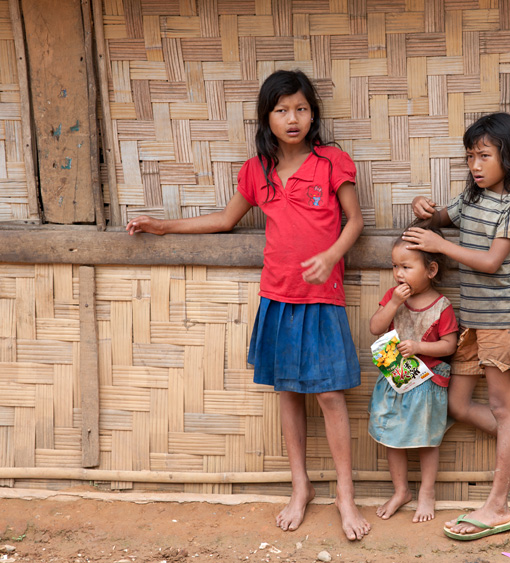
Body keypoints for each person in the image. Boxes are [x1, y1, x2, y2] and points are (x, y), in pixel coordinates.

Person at [126, 70, 370, 541]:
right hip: (277, 296)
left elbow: (354, 221)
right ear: (267, 118)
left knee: (330, 395)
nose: (292, 118)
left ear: (313, 113)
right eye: (281, 110)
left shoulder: (332, 161)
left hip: (322, 296)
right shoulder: (256, 170)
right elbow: (224, 219)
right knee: (287, 392)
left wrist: (332, 255)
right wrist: (164, 227)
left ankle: (345, 494)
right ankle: (300, 487)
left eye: (300, 108)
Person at [405, 112, 510, 540]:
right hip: (471, 324)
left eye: (484, 155)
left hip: (502, 322)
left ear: (509, 157)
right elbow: (442, 219)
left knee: (504, 407)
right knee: (458, 406)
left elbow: (490, 262)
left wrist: (441, 244)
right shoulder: (471, 201)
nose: (476, 166)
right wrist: (425, 211)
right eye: (470, 157)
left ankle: (497, 506)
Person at [368, 225, 458, 523]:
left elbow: (450, 345)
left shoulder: (442, 307)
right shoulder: (393, 298)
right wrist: (393, 302)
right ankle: (400, 490)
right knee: (392, 437)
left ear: (431, 269)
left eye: (407, 266)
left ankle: (427, 492)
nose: (398, 274)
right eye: (395, 266)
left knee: (425, 440)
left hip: (427, 384)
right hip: (396, 381)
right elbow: (375, 327)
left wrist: (420, 346)